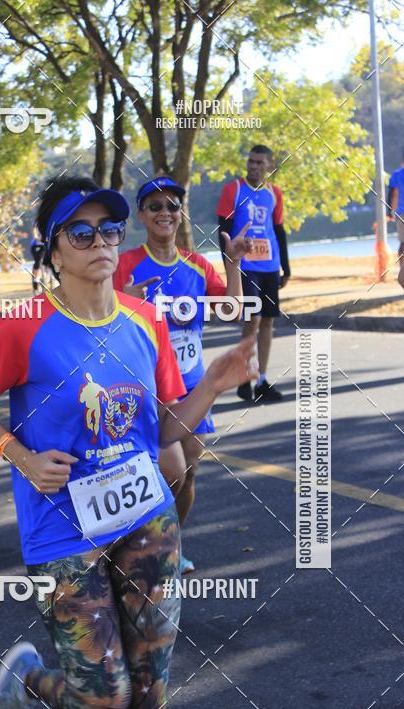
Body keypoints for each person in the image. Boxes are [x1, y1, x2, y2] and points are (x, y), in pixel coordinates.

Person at [0, 175, 258, 709]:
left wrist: (213, 382)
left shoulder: (142, 318)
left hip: (146, 519)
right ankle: (30, 675)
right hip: (64, 530)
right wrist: (20, 456)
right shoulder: (27, 324)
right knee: (101, 700)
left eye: (109, 230)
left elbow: (163, 432)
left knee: (150, 693)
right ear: (53, 249)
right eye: (81, 232)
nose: (101, 241)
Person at [113, 175, 252, 574]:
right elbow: (96, 322)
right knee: (155, 471)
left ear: (180, 214)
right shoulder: (124, 264)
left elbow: (232, 310)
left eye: (172, 206)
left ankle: (170, 546)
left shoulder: (196, 264)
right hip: (141, 389)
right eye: (154, 206)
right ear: (141, 215)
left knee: (186, 474)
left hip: (191, 387)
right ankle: (133, 547)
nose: (164, 213)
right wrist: (126, 301)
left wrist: (233, 265)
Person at [217, 144, 290, 403]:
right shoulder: (233, 190)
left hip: (270, 266)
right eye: (251, 161)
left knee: (268, 321)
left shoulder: (274, 193)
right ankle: (245, 376)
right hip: (246, 267)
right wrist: (229, 266)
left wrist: (286, 267)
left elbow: (279, 231)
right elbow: (223, 232)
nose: (254, 166)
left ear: (269, 165)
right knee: (253, 320)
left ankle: (262, 380)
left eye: (260, 162)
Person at [387, 150, 404, 261]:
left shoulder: (397, 174)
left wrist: (390, 212)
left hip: (401, 213)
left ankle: (402, 268)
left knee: (403, 242)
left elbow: (393, 195)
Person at [30, 222, 46, 292]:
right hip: (36, 245)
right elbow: (34, 230)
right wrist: (36, 237)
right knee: (38, 261)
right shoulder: (37, 221)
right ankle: (36, 279)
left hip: (45, 244)